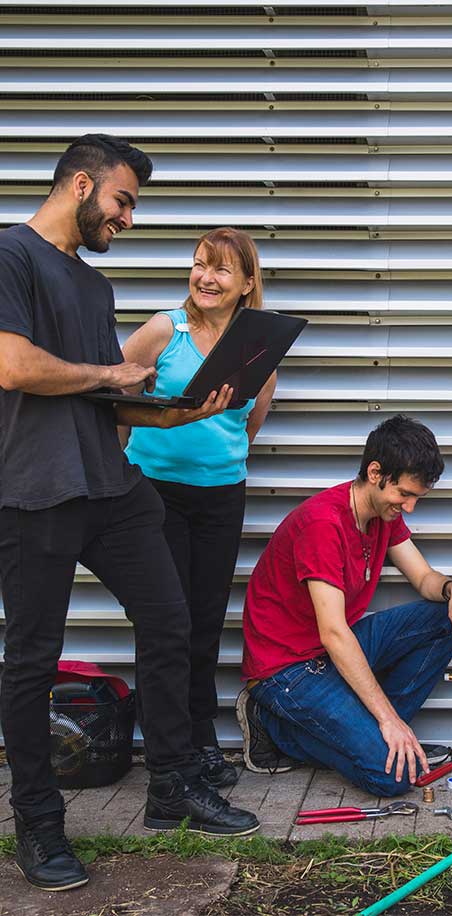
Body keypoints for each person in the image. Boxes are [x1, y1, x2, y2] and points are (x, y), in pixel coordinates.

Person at [0, 135, 259, 893]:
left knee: (173, 620)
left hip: (110, 485)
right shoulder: (12, 255)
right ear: (81, 186)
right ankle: (39, 826)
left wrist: (178, 413)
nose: (129, 218)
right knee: (31, 661)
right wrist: (110, 371)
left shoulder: (92, 286)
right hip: (35, 491)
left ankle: (172, 785)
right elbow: (14, 365)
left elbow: (103, 399)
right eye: (123, 201)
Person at [237, 415, 452, 795]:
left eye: (418, 497)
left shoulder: (380, 516)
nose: (410, 507)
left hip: (329, 653)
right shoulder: (323, 524)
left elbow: (423, 579)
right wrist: (387, 718)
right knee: (392, 777)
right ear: (375, 472)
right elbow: (334, 633)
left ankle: (383, 739)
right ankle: (274, 729)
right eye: (405, 494)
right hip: (287, 671)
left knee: (445, 617)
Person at [121, 227, 276, 788]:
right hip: (155, 493)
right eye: (199, 265)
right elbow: (115, 402)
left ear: (246, 284)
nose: (205, 278)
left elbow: (248, 424)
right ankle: (172, 745)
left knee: (206, 620)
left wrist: (219, 459)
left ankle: (201, 734)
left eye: (221, 270)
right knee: (168, 620)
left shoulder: (257, 346)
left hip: (221, 496)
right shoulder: (166, 328)